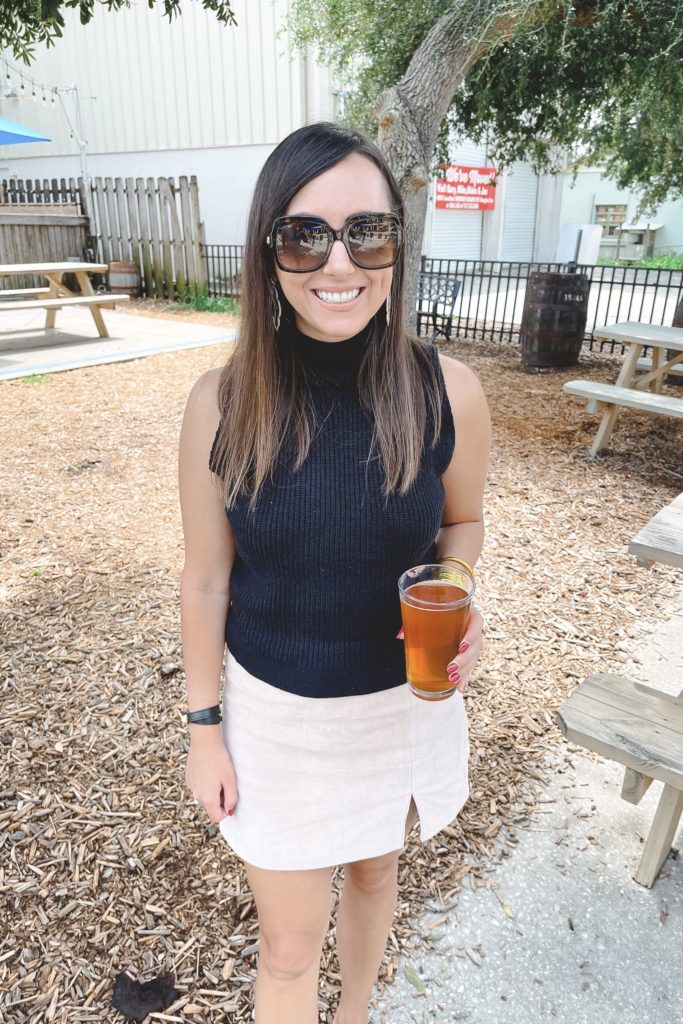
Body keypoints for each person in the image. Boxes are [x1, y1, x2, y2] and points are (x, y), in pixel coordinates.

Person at [178, 121, 490, 1024]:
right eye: (304, 234)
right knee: (285, 947)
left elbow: (461, 524)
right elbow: (205, 582)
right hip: (275, 715)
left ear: (398, 243)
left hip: (399, 705)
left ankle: (353, 1014)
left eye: (367, 231)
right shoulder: (221, 403)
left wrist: (459, 595)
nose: (339, 261)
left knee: (375, 869)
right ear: (268, 252)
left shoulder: (447, 390)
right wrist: (204, 729)